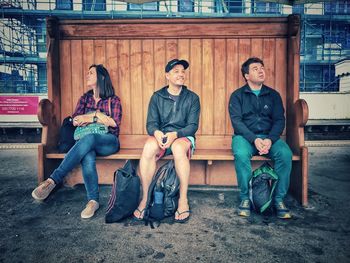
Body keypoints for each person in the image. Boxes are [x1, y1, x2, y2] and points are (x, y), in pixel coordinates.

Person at [32, 64, 122, 219]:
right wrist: (99, 117)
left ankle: (53, 179)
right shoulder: (85, 98)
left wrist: (90, 116)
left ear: (101, 77)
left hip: (109, 141)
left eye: (91, 73)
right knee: (87, 153)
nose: (87, 75)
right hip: (86, 143)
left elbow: (114, 123)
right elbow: (75, 121)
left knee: (90, 139)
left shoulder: (113, 100)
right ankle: (93, 201)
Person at [133, 59, 200, 223]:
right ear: (167, 76)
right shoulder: (157, 96)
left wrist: (175, 135)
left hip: (183, 137)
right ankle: (145, 198)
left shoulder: (192, 98)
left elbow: (192, 126)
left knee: (177, 147)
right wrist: (156, 133)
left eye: (183, 71)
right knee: (149, 146)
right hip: (162, 137)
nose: (181, 74)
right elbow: (151, 124)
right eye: (176, 71)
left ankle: (183, 199)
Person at [228, 57, 293, 219]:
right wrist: (254, 140)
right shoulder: (237, 96)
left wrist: (270, 139)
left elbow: (279, 120)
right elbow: (237, 122)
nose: (261, 70)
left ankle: (278, 199)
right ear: (247, 75)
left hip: (270, 137)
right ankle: (245, 198)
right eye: (256, 68)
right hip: (245, 137)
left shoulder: (273, 95)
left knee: (285, 154)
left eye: (262, 68)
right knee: (241, 154)